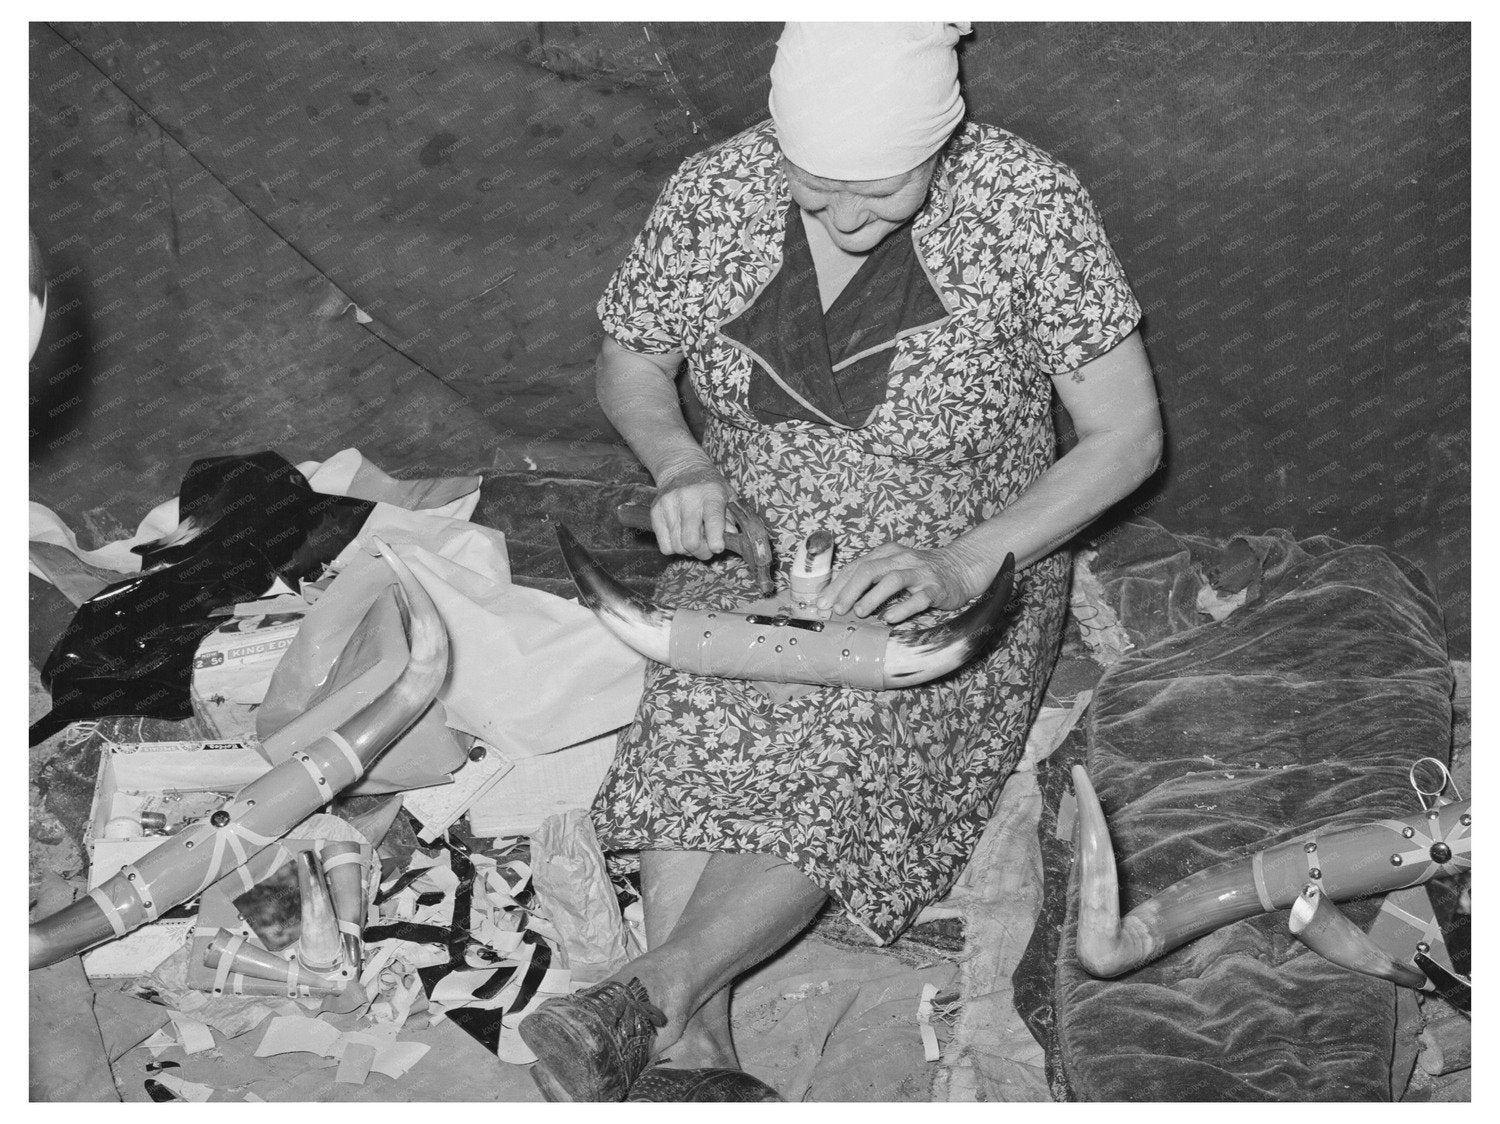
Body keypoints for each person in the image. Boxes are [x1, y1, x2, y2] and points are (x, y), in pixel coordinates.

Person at [519, 22, 1162, 1102]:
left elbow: (1126, 437)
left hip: (966, 544)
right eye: (817, 192)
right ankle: (692, 1049)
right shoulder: (717, 188)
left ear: (943, 142)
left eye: (882, 192)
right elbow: (628, 369)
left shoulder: (1027, 202)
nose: (848, 219)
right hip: (761, 525)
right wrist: (681, 462)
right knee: (705, 700)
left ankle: (655, 986)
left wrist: (966, 560)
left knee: (850, 725)